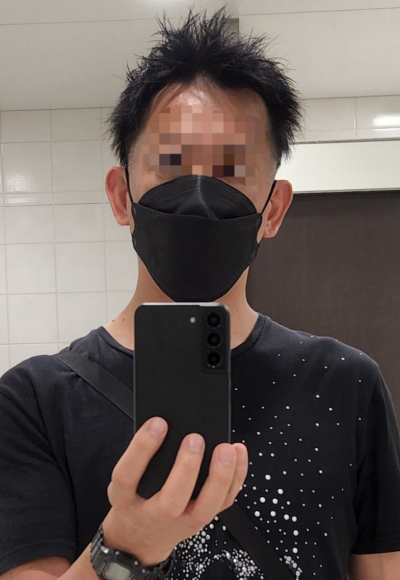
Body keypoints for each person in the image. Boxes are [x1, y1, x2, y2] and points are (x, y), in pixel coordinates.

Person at [0, 7, 400, 580]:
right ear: (121, 197)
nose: (199, 197)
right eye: (170, 166)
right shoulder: (33, 401)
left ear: (274, 210)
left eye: (231, 171)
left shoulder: (346, 384)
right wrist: (124, 546)